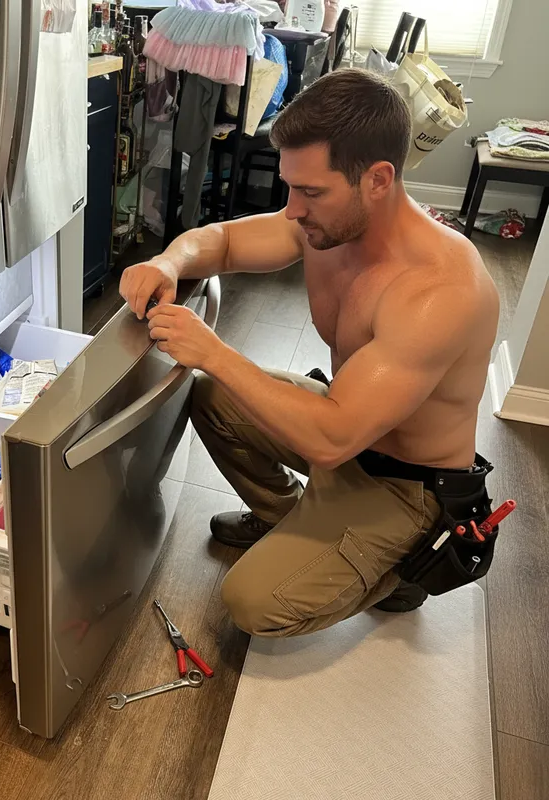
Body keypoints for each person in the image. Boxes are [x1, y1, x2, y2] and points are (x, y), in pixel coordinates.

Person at [118, 69, 500, 637]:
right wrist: (167, 263)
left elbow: (333, 436)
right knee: (213, 396)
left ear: (377, 179)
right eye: (291, 186)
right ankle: (293, 521)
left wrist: (214, 351)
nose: (292, 209)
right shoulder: (327, 226)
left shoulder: (439, 290)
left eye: (311, 191)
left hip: (405, 484)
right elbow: (221, 242)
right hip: (346, 433)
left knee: (251, 602)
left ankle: (404, 567)